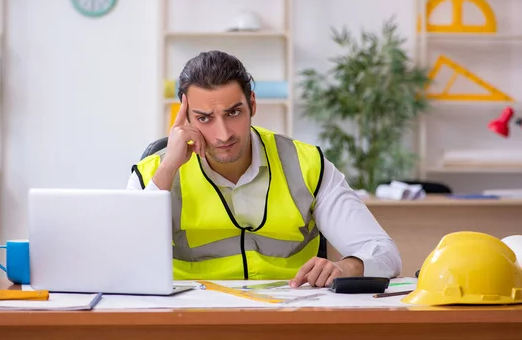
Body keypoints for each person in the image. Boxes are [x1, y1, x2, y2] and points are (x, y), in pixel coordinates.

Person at [127, 50, 402, 288]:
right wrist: (169, 168)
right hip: (189, 320)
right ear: (185, 118)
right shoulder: (153, 171)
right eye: (204, 118)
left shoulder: (307, 164)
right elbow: (128, 260)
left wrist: (347, 267)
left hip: (289, 318)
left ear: (253, 105)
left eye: (233, 113)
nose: (222, 134)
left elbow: (386, 255)